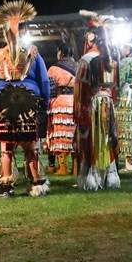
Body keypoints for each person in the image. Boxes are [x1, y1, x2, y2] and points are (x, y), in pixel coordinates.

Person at [0, 0, 51, 197]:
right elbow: (44, 80)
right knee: (31, 145)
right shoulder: (33, 52)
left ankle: (7, 186)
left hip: (4, 103)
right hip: (29, 102)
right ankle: (36, 183)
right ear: (22, 30)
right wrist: (45, 103)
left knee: (7, 146)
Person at [74, 10, 120, 191]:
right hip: (108, 105)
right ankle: (110, 176)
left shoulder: (86, 60)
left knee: (91, 140)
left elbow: (80, 92)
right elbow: (114, 90)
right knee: (108, 138)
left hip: (92, 106)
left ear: (91, 38)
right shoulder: (112, 61)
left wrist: (80, 116)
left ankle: (92, 177)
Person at [45, 42, 77, 176]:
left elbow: (50, 90)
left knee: (61, 135)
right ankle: (76, 168)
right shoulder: (79, 66)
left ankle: (62, 168)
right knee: (74, 136)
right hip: (76, 103)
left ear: (60, 53)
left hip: (60, 104)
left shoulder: (53, 68)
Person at [115, 40, 132, 172]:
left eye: (122, 46)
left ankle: (130, 163)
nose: (120, 49)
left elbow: (119, 81)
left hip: (126, 97)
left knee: (127, 128)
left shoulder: (126, 62)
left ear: (127, 48)